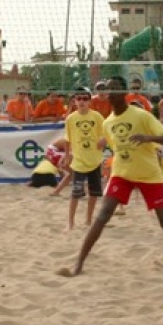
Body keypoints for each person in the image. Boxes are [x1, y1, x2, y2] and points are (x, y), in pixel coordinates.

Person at [68, 76, 163, 275]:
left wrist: (147, 138)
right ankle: (79, 263)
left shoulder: (141, 115)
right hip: (122, 174)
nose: (111, 93)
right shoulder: (107, 124)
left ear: (124, 93)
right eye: (109, 90)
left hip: (149, 174)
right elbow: (114, 147)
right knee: (103, 215)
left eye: (115, 89)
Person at [64, 87, 105, 232]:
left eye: (85, 98)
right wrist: (67, 155)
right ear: (74, 101)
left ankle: (88, 220)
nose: (81, 101)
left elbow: (106, 133)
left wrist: (104, 140)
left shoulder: (98, 117)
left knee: (94, 193)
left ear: (89, 101)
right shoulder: (71, 118)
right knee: (75, 193)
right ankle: (70, 223)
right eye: (79, 98)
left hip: (95, 160)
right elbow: (67, 139)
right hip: (79, 161)